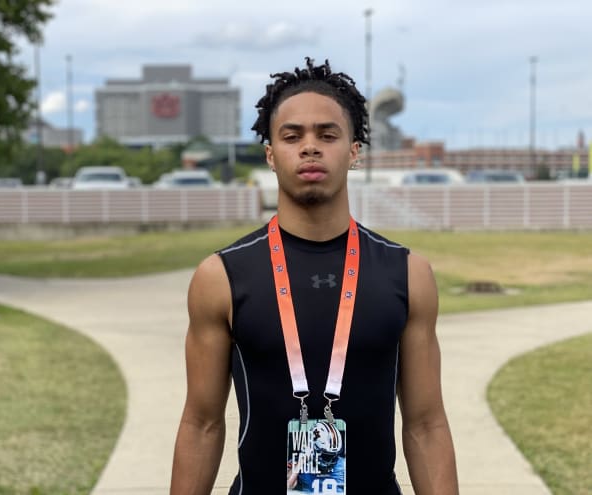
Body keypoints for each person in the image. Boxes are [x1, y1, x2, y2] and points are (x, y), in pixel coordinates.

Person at [171, 58, 458, 494]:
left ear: (354, 151)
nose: (310, 147)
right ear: (270, 153)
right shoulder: (222, 277)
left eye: (327, 134)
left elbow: (426, 425)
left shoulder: (407, 274)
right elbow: (202, 423)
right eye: (292, 136)